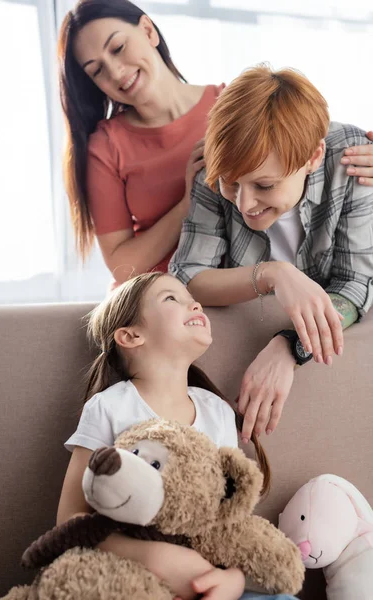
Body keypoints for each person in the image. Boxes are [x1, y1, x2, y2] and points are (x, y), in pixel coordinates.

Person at [58, 0, 373, 287]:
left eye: (118, 48)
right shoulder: (106, 146)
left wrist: (363, 149)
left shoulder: (227, 103)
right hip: (165, 298)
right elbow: (122, 266)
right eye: (96, 70)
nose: (115, 71)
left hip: (241, 288)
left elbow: (305, 136)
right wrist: (187, 203)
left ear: (148, 30)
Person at [57, 271, 295, 600]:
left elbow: (231, 520)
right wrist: (154, 557)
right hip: (132, 580)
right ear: (130, 335)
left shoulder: (218, 411)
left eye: (190, 298)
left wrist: (234, 580)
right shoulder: (108, 408)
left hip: (208, 581)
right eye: (172, 298)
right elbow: (69, 518)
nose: (194, 303)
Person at [169, 65, 373, 444]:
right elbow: (188, 279)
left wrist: (288, 347)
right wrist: (274, 274)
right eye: (231, 184)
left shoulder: (356, 162)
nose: (244, 204)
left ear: (313, 157)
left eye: (264, 185)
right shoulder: (214, 170)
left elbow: (354, 284)